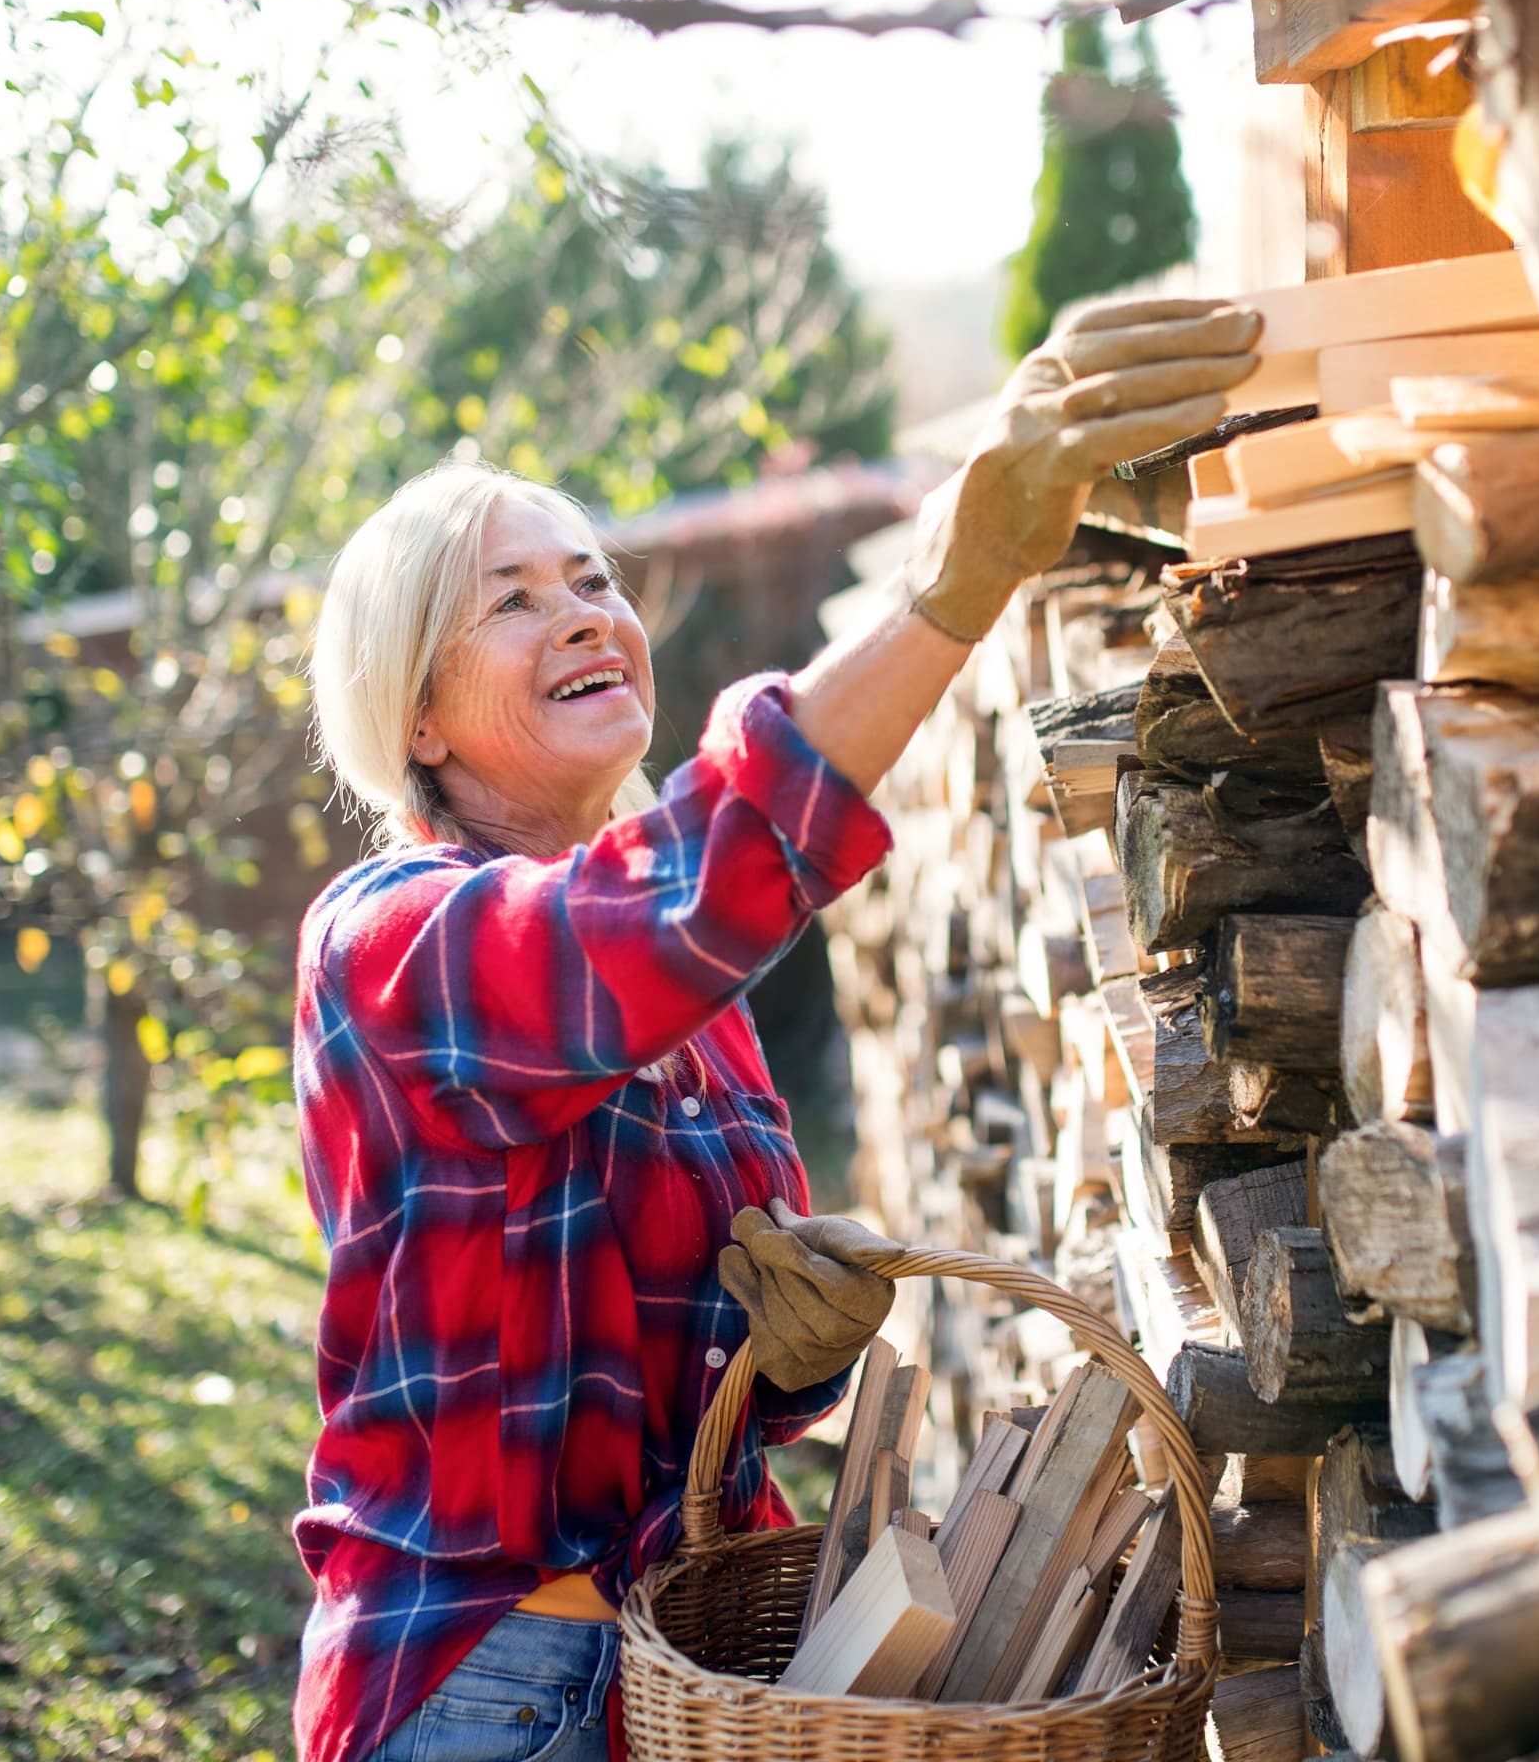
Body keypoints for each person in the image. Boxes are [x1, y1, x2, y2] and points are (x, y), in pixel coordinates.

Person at [292, 295, 1261, 1762]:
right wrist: (953, 583)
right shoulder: (394, 943)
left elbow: (714, 1389)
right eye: (511, 599)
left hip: (693, 1675)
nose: (586, 615)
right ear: (417, 716)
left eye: (593, 578)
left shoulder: (699, 1008)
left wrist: (800, 1353)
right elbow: (668, 900)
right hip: (487, 1685)